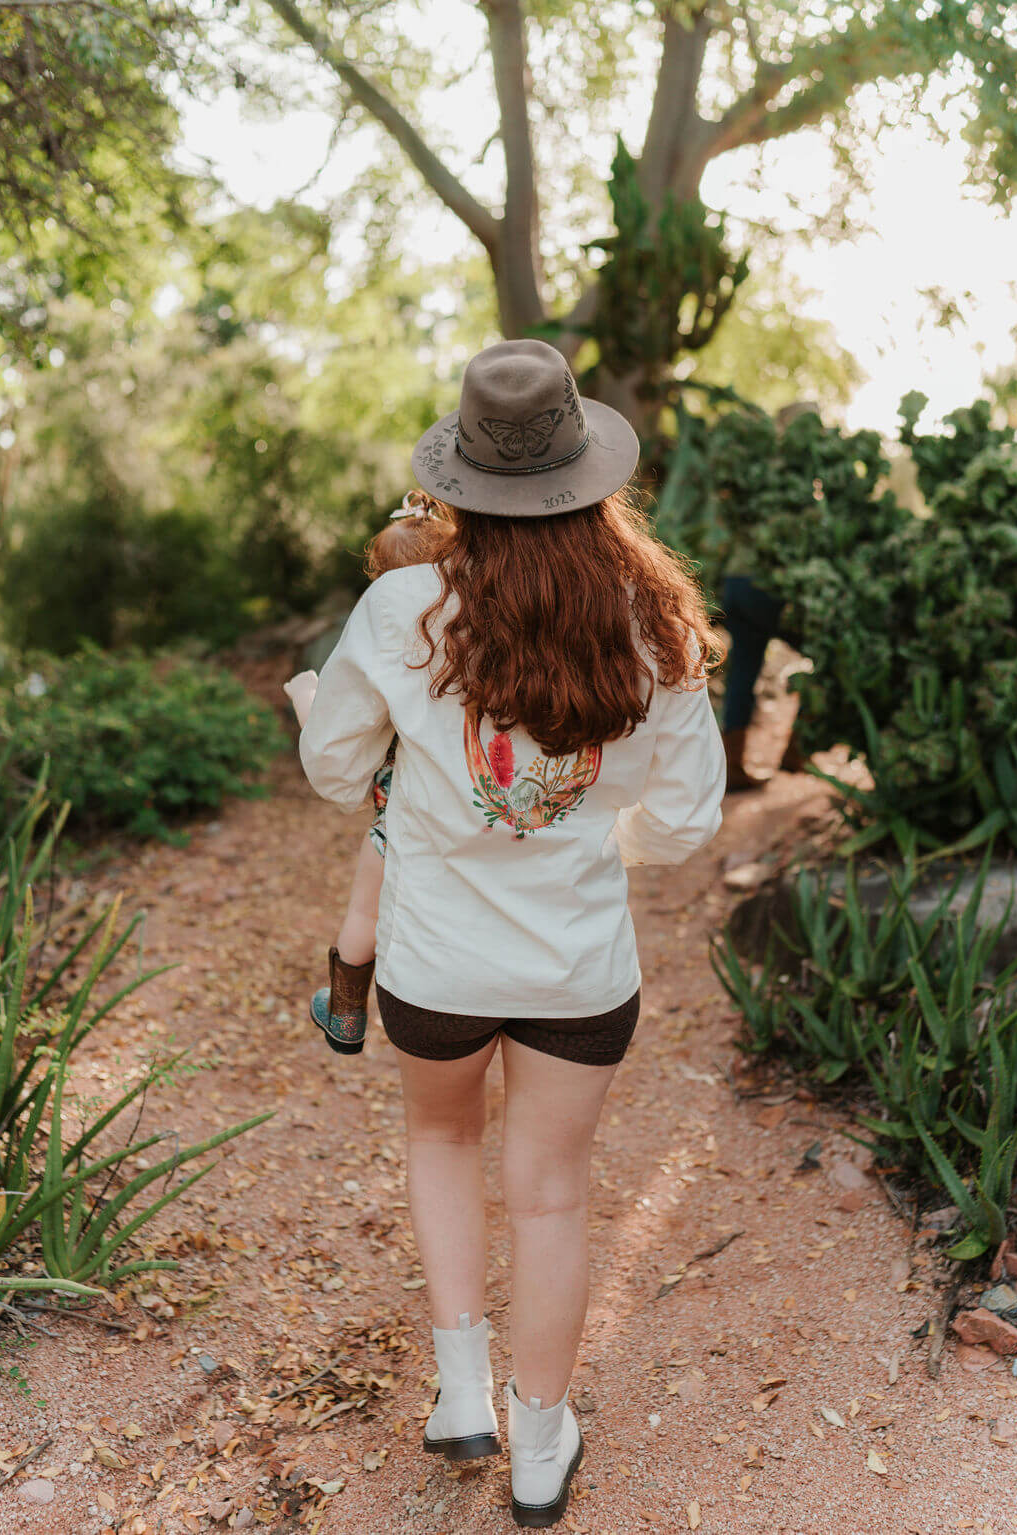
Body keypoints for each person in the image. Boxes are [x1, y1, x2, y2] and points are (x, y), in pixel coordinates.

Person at [290, 339, 726, 1529]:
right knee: (550, 1198)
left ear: (463, 480)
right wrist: (595, 840)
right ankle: (539, 1447)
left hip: (434, 964)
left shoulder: (401, 606)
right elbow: (686, 819)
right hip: (577, 970)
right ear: (589, 476)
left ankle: (457, 1389)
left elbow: (334, 770)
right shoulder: (656, 621)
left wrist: (365, 737)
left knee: (440, 1141)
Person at [283, 491, 452, 1054]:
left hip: (394, 825)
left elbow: (337, 737)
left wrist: (306, 695)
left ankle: (347, 1014)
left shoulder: (386, 634)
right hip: (462, 809)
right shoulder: (470, 632)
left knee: (363, 911)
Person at [719, 401, 816, 790]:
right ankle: (797, 749)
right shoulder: (798, 474)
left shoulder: (755, 470)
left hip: (736, 583)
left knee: (743, 669)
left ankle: (731, 765)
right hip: (769, 586)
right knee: (825, 653)